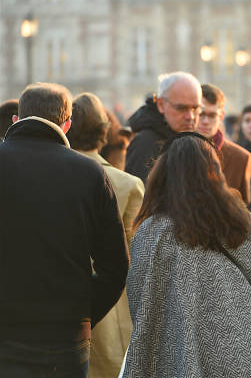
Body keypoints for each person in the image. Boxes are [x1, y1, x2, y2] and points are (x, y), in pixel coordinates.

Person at [122, 132, 251, 377]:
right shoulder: (243, 222)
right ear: (215, 171)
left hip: (180, 355)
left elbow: (140, 302)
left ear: (163, 174)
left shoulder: (153, 231)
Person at [0, 83, 128, 377]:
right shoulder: (91, 173)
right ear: (67, 124)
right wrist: (82, 314)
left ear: (16, 120)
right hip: (65, 334)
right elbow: (116, 265)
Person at [66, 92, 145, 378]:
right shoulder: (128, 184)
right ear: (104, 132)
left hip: (64, 300)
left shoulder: (55, 174)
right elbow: (137, 252)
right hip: (115, 306)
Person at [126, 71, 202, 183]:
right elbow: (138, 196)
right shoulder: (145, 144)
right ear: (161, 104)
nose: (190, 116)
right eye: (181, 108)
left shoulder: (198, 141)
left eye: (195, 108)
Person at [198, 83, 251, 204]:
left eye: (212, 115)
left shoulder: (240, 157)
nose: (205, 121)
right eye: (201, 114)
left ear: (221, 116)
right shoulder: (174, 151)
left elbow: (244, 209)